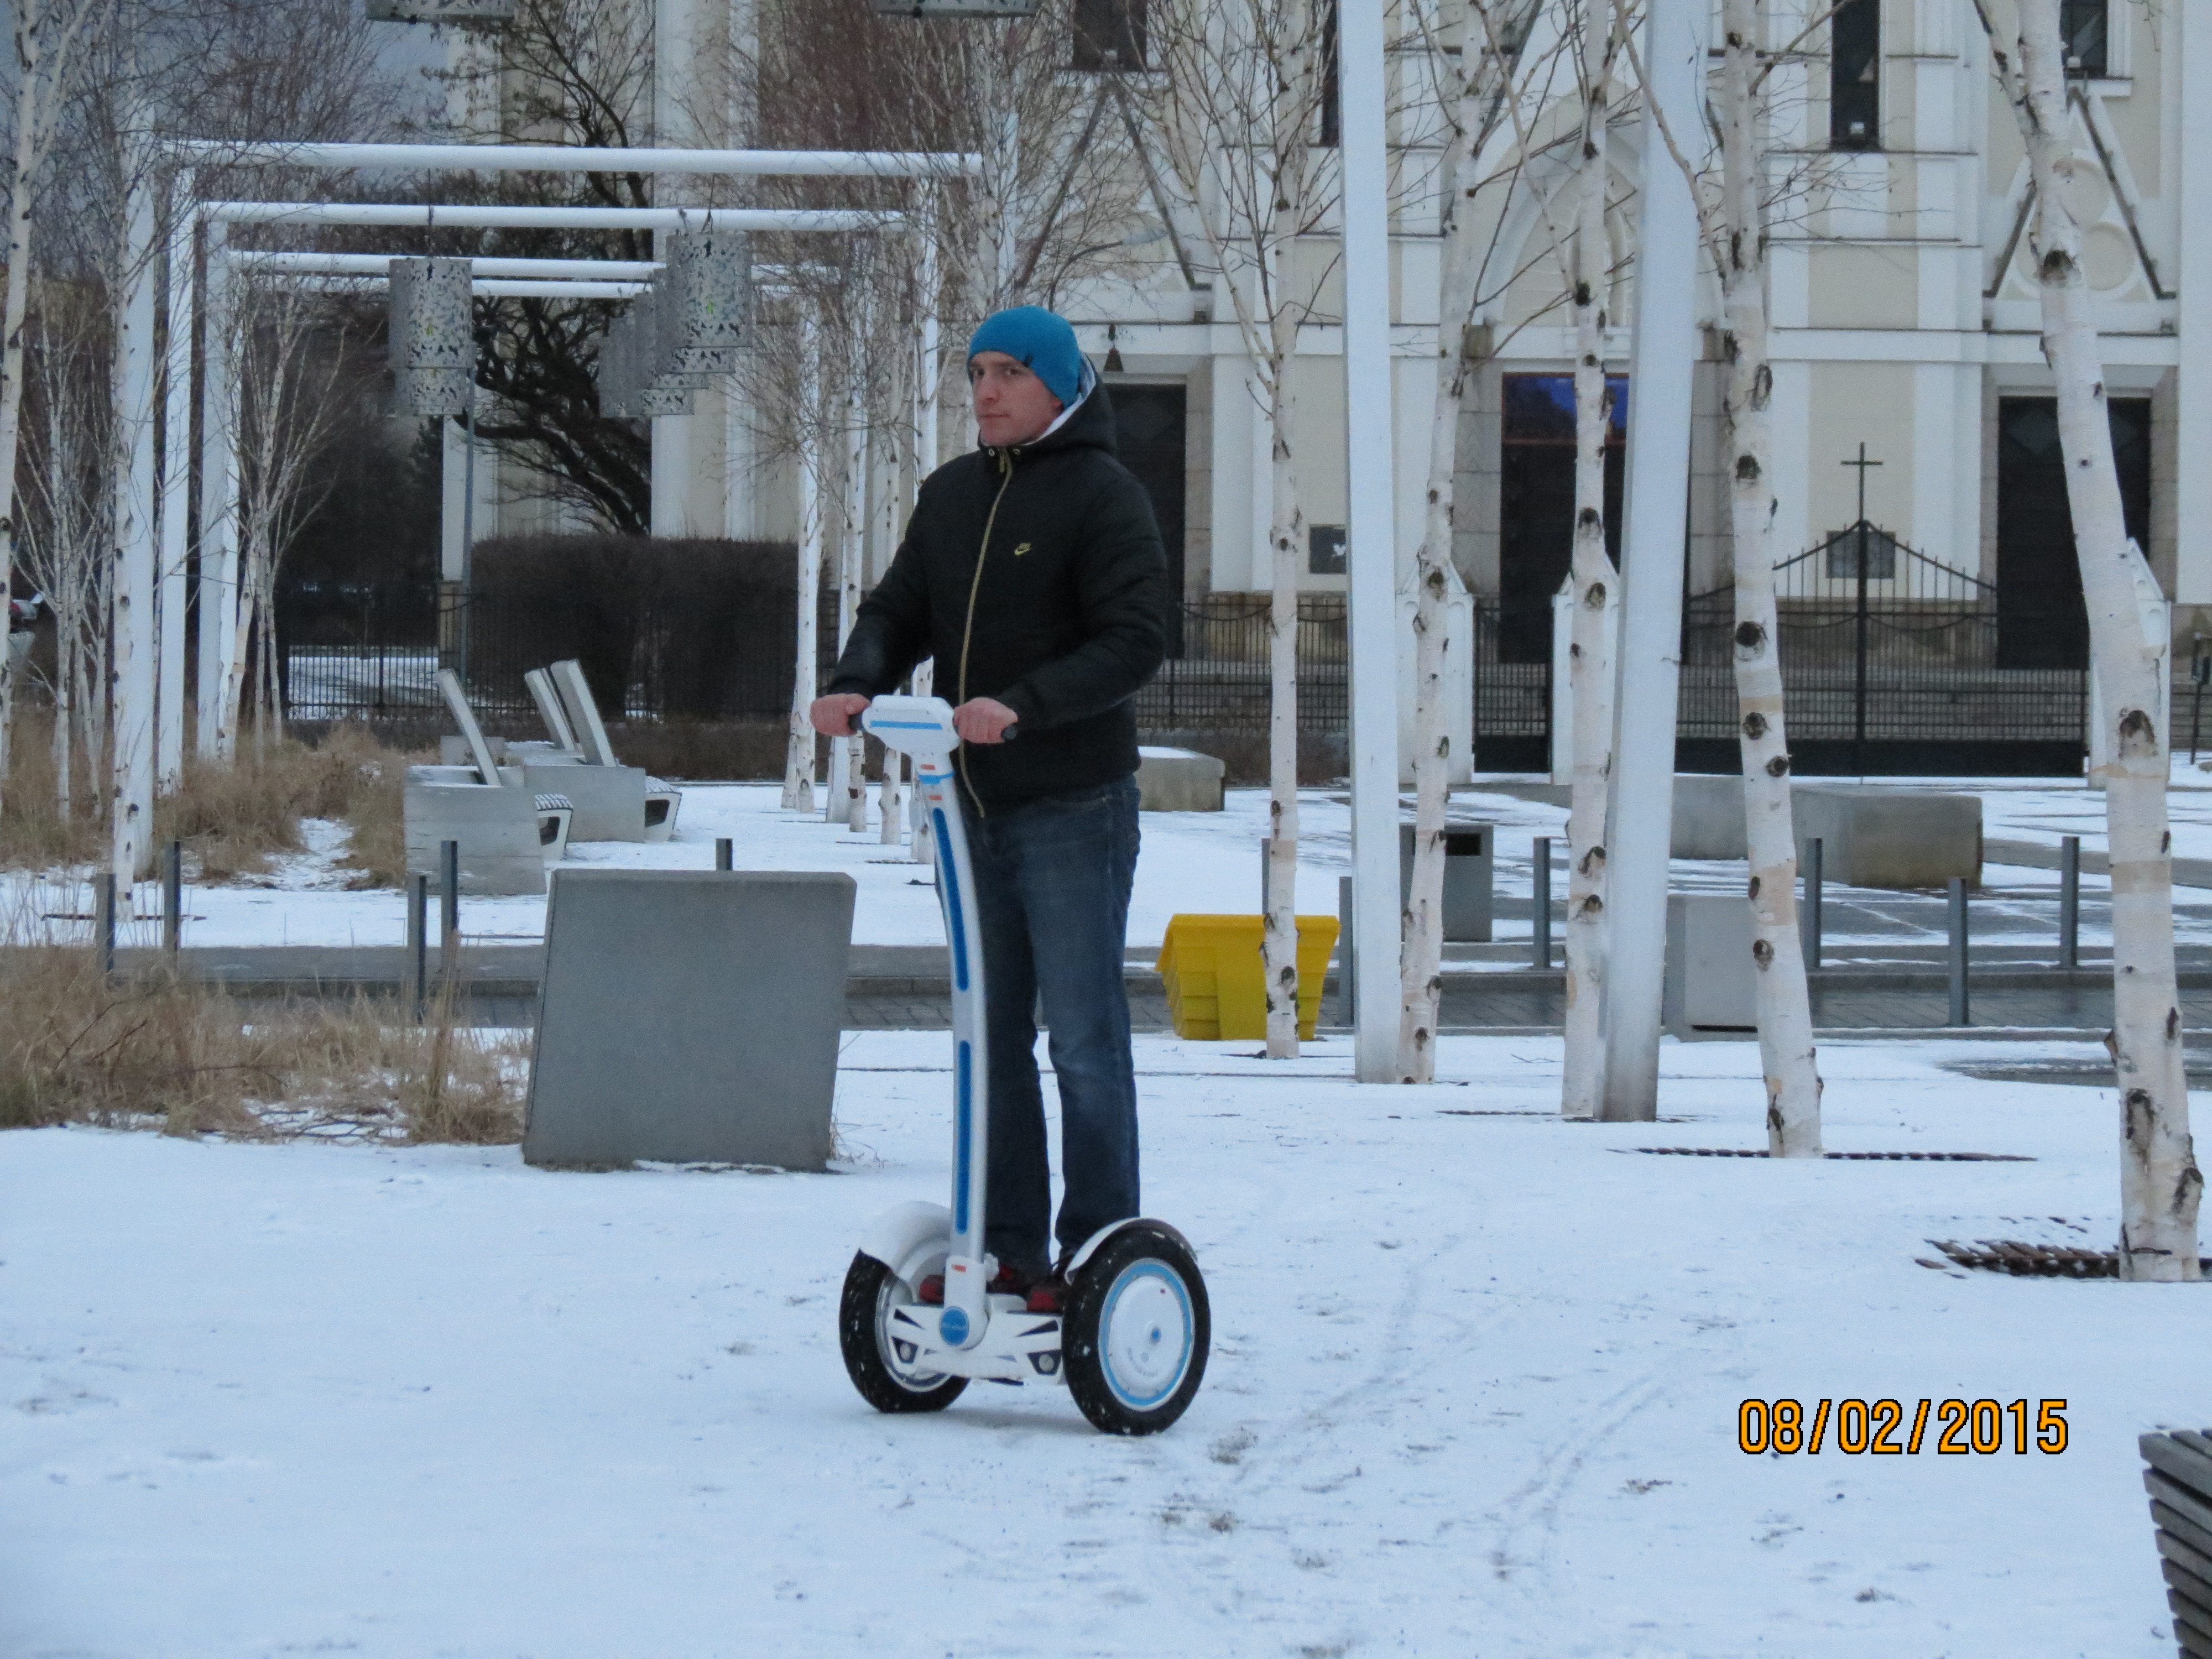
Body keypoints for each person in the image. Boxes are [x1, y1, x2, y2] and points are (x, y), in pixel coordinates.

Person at [810, 305, 1170, 1313]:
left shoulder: (1105, 496)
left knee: (1083, 1041)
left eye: (1009, 371)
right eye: (977, 373)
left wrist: (1024, 707)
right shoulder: (953, 495)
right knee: (989, 1038)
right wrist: (857, 679)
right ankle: (1012, 1251)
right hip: (967, 808)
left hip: (1074, 807)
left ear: (1059, 384)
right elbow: (898, 609)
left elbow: (1136, 637)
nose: (987, 391)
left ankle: (1097, 1251)